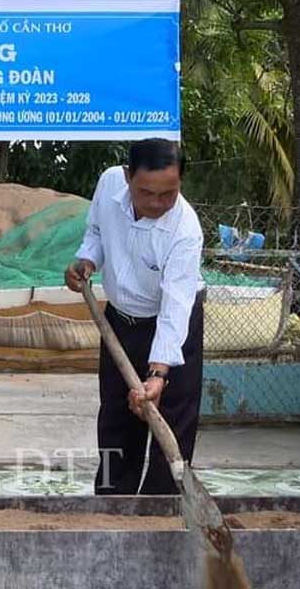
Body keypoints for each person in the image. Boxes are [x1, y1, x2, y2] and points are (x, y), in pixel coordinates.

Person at [64, 139, 205, 495]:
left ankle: (162, 510)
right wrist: (87, 261)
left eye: (168, 194)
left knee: (169, 426)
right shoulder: (110, 183)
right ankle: (112, 505)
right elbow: (95, 231)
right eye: (147, 193)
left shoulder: (185, 230)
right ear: (128, 177)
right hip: (119, 322)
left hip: (173, 328)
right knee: (116, 417)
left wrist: (158, 374)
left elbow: (175, 307)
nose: (157, 204)